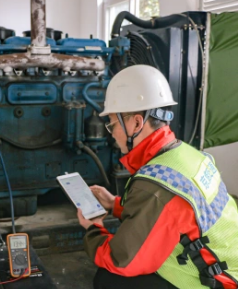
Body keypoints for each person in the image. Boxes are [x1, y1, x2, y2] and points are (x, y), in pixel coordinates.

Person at [77, 65, 238, 289]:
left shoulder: (154, 187)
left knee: (109, 279)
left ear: (136, 122)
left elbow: (121, 261)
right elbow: (170, 216)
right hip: (230, 267)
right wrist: (114, 204)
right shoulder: (187, 155)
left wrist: (93, 228)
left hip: (214, 283)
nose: (111, 132)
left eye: (112, 123)